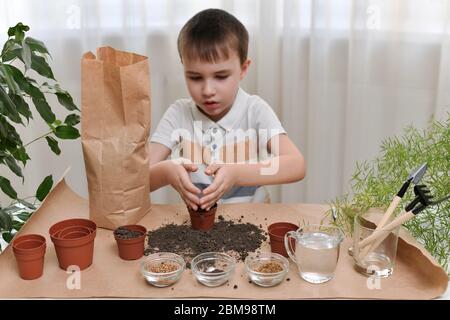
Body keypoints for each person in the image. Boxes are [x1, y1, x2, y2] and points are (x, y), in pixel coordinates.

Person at [149, 8, 306, 211]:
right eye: (195, 77)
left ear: (243, 69)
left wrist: (237, 174)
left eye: (221, 76)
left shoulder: (255, 110)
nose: (208, 90)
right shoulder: (178, 114)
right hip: (199, 228)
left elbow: (296, 165)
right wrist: (166, 172)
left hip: (252, 220)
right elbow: (135, 182)